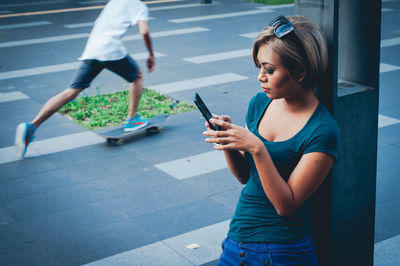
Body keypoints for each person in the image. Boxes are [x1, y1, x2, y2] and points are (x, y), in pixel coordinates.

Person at [203, 15, 339, 265]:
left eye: (270, 69)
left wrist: (256, 147)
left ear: (299, 72)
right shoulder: (259, 104)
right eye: (259, 68)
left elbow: (286, 206)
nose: (260, 77)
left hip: (282, 252)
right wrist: (229, 142)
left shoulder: (323, 130)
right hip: (236, 242)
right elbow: (246, 176)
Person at [14, 0, 155, 157]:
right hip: (111, 50)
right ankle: (132, 120)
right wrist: (151, 54)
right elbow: (144, 31)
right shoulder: (139, 6)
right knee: (137, 76)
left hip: (92, 49)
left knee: (71, 91)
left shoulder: (115, 2)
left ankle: (32, 126)